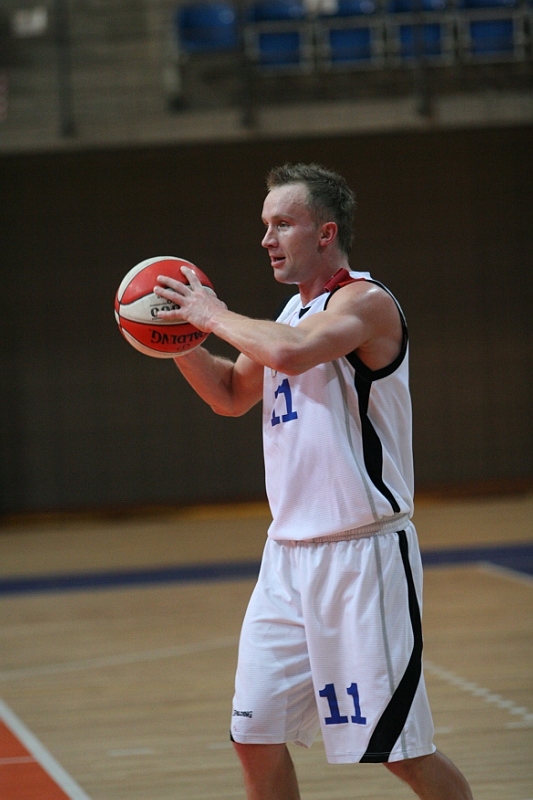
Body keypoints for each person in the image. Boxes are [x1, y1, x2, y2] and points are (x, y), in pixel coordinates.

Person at [154, 163, 473, 800]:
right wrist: (175, 337)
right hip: (287, 559)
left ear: (325, 233)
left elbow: (291, 353)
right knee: (254, 734)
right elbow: (228, 394)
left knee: (400, 753)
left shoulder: (366, 302)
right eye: (264, 225)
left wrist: (211, 313)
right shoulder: (290, 314)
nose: (266, 239)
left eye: (282, 224)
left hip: (363, 555)